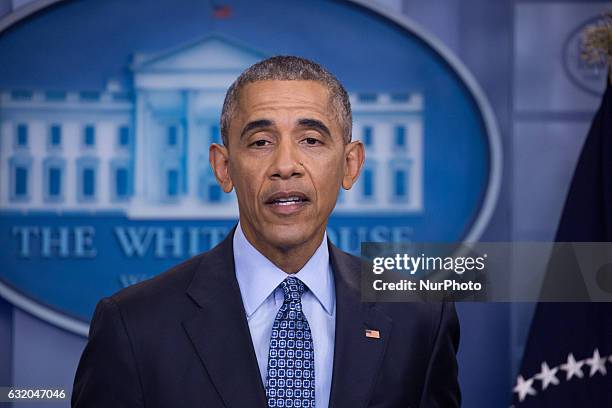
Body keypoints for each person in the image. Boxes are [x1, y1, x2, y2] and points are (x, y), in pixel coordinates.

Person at [71, 56, 460, 408]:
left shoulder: (419, 319)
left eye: (310, 140)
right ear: (223, 167)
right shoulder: (133, 325)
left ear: (350, 165)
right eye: (260, 142)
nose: (285, 165)